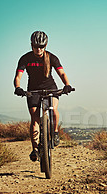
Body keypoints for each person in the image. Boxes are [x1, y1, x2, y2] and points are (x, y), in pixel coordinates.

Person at [14, 31, 73, 161]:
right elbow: (18, 76)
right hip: (33, 90)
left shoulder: (51, 57)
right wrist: (18, 88)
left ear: (45, 45)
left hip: (50, 88)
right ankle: (35, 149)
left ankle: (55, 132)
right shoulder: (25, 58)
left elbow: (62, 74)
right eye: (36, 46)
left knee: (53, 110)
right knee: (35, 118)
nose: (39, 49)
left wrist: (67, 85)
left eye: (41, 46)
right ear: (31, 45)